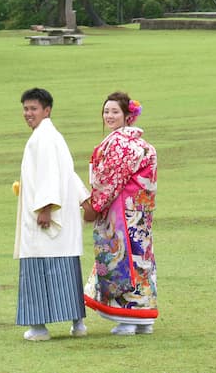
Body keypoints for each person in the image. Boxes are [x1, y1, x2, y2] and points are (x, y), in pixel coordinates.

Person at [13, 88, 90, 341]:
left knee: (39, 268)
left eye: (33, 108)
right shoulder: (52, 136)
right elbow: (67, 173)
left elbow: (49, 174)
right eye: (25, 108)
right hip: (61, 219)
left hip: (45, 218)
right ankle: (77, 324)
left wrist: (45, 208)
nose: (28, 113)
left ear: (47, 110)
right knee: (65, 267)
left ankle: (38, 328)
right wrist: (84, 198)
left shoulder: (44, 137)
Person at [82, 91, 158, 335]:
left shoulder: (120, 143)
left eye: (115, 111)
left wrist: (94, 206)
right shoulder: (140, 143)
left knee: (121, 261)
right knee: (141, 261)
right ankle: (143, 319)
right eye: (106, 111)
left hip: (121, 213)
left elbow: (109, 179)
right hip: (139, 212)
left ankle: (128, 317)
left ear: (128, 116)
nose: (109, 115)